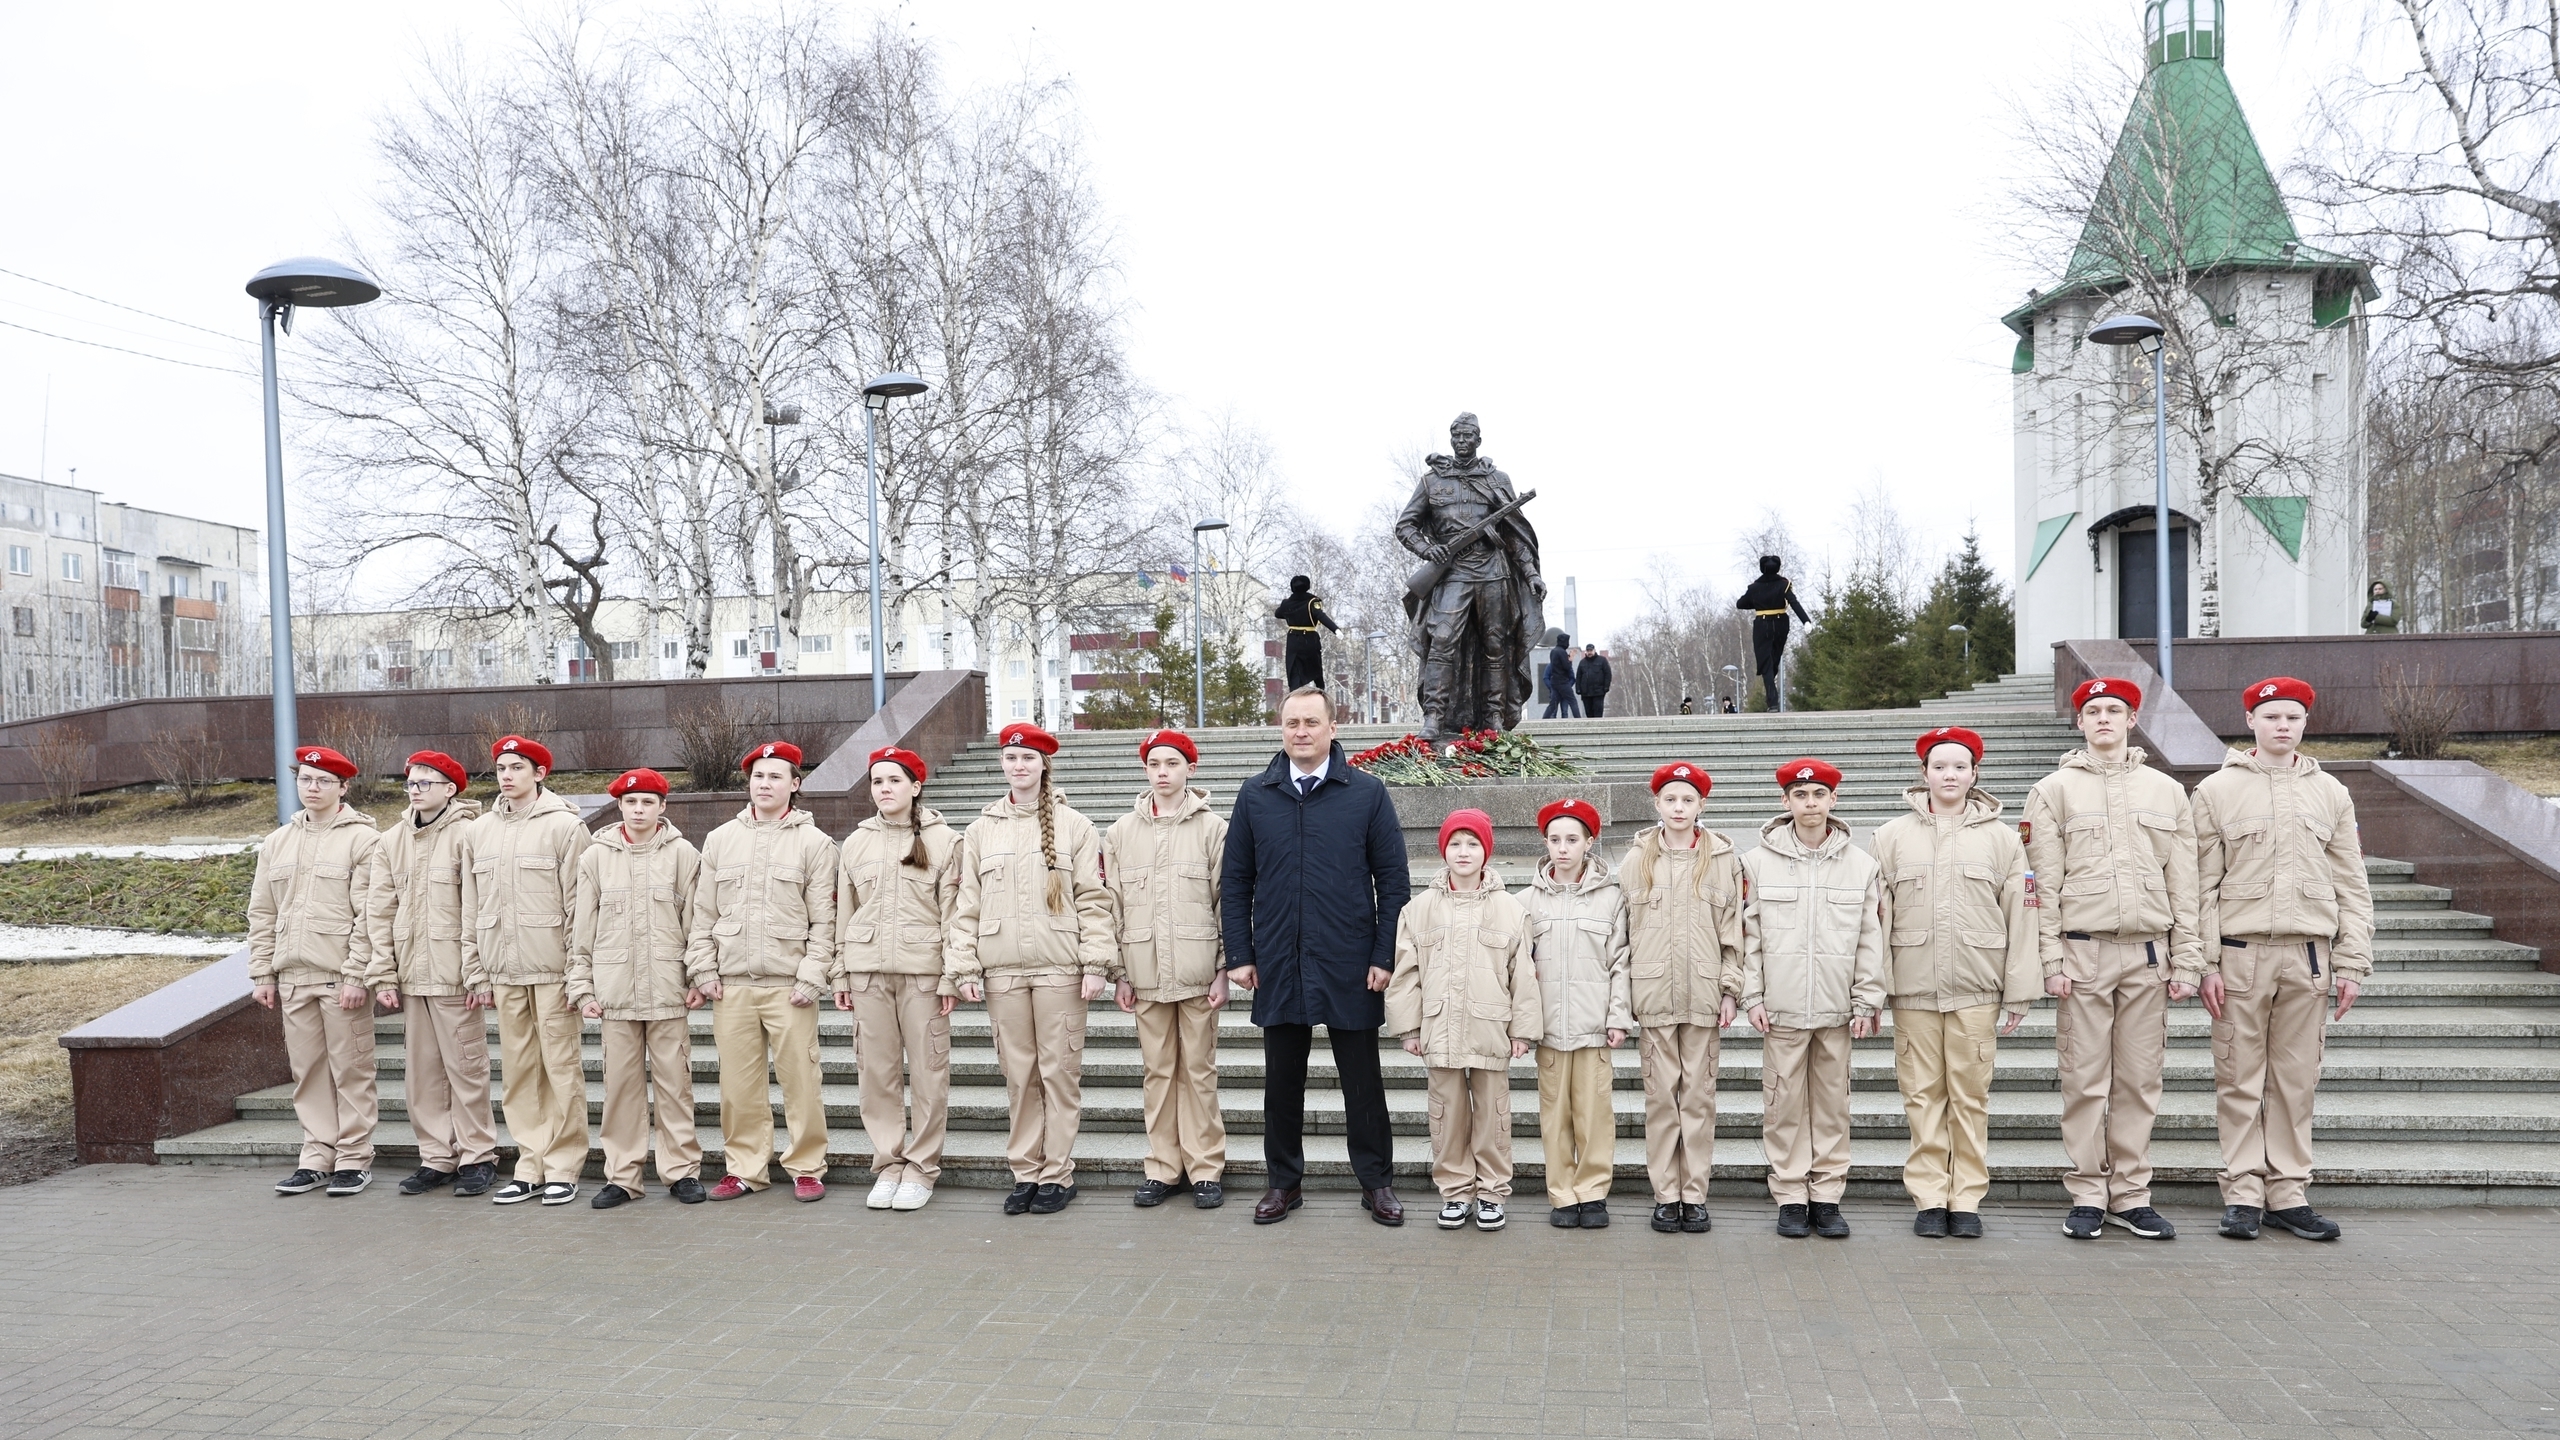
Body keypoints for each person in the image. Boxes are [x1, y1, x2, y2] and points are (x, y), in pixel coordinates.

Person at [2189, 677, 2373, 1243]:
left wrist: (2352, 962)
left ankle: (2288, 1193)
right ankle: (2243, 1192)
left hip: (2310, 958)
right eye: (2270, 717)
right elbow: (2199, 886)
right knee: (2240, 1079)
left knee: (2296, 1082)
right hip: (2241, 956)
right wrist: (2204, 963)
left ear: (2305, 724)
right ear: (2250, 722)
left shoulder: (2331, 793)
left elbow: (2352, 883)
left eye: (2292, 717)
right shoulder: (2216, 792)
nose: (2282, 726)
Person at [1222, 683, 1413, 1226]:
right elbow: (1235, 881)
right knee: (1281, 1082)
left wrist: (1384, 954)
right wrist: (1240, 952)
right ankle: (1283, 1182)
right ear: (1281, 731)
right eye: (1292, 724)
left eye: (1311, 723)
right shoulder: (1256, 794)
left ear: (1333, 728)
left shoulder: (1367, 793)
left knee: (1363, 1082)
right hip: (1280, 959)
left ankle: (1376, 1182)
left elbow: (1393, 882)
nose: (1301, 732)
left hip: (1351, 961)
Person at [2023, 677, 2201, 1241]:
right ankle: (2087, 1192)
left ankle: (2131, 1194)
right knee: (2084, 1080)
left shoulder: (2166, 791)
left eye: (2114, 710)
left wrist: (2189, 957)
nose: (2104, 718)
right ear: (2080, 723)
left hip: (2148, 956)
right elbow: (2042, 886)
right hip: (2083, 954)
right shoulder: (2052, 791)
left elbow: (2185, 881)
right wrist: (2049, 959)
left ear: (2132, 720)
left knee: (2140, 1082)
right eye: (2093, 710)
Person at [1869, 726, 2036, 1239]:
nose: (1950, 775)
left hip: (1977, 988)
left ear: (1974, 773)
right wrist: (1873, 989)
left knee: (1969, 1097)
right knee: (1921, 1096)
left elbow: (2022, 913)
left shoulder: (2004, 839)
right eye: (1939, 766)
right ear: (1924, 773)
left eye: (1960, 767)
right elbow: (1874, 919)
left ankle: (1965, 1198)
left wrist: (2020, 989)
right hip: (1913, 987)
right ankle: (1928, 1198)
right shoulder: (1890, 837)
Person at [946, 723, 1116, 1215]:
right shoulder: (979, 831)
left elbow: (1094, 900)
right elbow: (966, 906)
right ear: (1002, 765)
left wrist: (1097, 962)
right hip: (1002, 971)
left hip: (1060, 969)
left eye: (1028, 758)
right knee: (1018, 1077)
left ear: (1044, 764)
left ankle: (1058, 1173)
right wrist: (964, 966)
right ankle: (1025, 1170)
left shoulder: (1076, 827)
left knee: (1059, 1073)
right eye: (1010, 758)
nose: (1018, 766)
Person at [1742, 758, 1884, 1240]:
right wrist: (1752, 995)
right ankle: (1789, 1195)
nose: (1810, 803)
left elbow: (1870, 938)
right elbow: (1750, 936)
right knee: (1782, 1104)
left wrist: (1867, 1000)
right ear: (1786, 801)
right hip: (1780, 1007)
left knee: (1832, 1105)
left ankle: (1826, 1195)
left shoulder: (1861, 865)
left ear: (1833, 800)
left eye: (1819, 794)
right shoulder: (1757, 862)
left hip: (1836, 1009)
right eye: (1800, 795)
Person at [692, 741, 838, 1203]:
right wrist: (703, 969)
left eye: (776, 776)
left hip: (789, 986)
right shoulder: (720, 840)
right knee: (738, 1089)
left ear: (795, 785)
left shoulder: (815, 844)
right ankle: (745, 1169)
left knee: (801, 1083)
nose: (765, 783)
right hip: (732, 986)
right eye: (758, 776)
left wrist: (812, 977)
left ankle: (807, 1167)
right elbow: (702, 915)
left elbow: (824, 922)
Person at [1385, 809, 1541, 1231]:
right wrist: (1409, 1028)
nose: (1463, 851)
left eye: (1473, 843)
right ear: (1443, 850)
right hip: (1440, 1030)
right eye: (1455, 843)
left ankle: (1491, 1192)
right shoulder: (1419, 910)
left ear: (1486, 852)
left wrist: (1523, 1030)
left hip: (1491, 1029)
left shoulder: (1510, 910)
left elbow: (1523, 975)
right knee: (1447, 1114)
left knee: (1493, 1114)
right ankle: (1455, 1190)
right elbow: (1406, 974)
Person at [460, 734, 593, 1206]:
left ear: (539, 774)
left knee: (561, 1069)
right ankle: (529, 1164)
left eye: (517, 767)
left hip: (552, 969)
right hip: (504, 970)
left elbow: (581, 907)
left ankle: (563, 1165)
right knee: (518, 1075)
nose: (507, 775)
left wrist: (579, 972)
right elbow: (470, 908)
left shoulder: (565, 827)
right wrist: (476, 971)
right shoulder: (478, 831)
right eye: (501, 768)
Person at [567, 768, 708, 1209]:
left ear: (663, 807)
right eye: (631, 803)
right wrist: (583, 987)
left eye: (648, 802)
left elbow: (698, 923)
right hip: (615, 992)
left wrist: (698, 977)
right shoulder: (595, 857)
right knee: (621, 1089)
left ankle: (681, 1172)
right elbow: (581, 930)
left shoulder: (684, 854)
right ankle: (623, 1176)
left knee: (674, 1086)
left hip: (668, 989)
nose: (639, 810)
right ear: (620, 807)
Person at [1104, 729, 1232, 1209]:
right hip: (1144, 973)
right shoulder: (1120, 833)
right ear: (1145, 770)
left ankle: (1205, 1168)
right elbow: (1109, 906)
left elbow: (1227, 903)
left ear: (1190, 770)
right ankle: (1162, 1167)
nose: (1163, 772)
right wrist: (1118, 971)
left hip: (1199, 972)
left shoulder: (1213, 829)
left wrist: (1224, 967)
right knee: (1158, 1072)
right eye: (1154, 764)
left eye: (1172, 764)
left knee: (1199, 1071)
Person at [249, 744, 384, 1198]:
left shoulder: (363, 839)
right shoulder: (277, 842)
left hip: (337, 976)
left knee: (351, 1069)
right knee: (307, 1073)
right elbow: (263, 913)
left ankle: (353, 1158)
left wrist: (356, 974)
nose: (312, 787)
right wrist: (262, 974)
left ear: (343, 787)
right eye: (305, 779)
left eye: (323, 780)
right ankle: (316, 1158)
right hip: (292, 977)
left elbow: (370, 913)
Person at [831, 745, 962, 1213]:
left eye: (894, 781)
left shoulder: (947, 841)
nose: (884, 789)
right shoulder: (856, 843)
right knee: (877, 1074)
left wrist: (952, 975)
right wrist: (840, 970)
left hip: (923, 973)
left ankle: (922, 1167)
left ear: (916, 786)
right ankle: (888, 1164)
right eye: (877, 782)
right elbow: (843, 913)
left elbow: (956, 916)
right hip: (867, 974)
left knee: (928, 1074)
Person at [362, 749, 497, 1198]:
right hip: (411, 975)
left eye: (425, 783)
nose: (415, 791)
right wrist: (383, 975)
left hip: (455, 975)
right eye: (411, 784)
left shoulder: (471, 834)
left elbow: (481, 908)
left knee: (467, 1069)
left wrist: (477, 973)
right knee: (421, 1075)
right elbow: (379, 913)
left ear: (450, 788)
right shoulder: (392, 840)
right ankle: (437, 1156)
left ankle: (477, 1156)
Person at [1620, 762, 1741, 1234]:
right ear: (1657, 805)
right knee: (1660, 1101)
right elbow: (1623, 933)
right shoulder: (1637, 861)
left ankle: (1695, 1194)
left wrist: (1731, 990)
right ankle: (1665, 1195)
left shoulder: (1724, 860)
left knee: (1698, 1100)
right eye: (1670, 799)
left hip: (1705, 995)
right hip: (1653, 996)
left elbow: (1734, 934)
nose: (1678, 808)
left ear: (1701, 806)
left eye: (1687, 800)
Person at [1392, 412, 1548, 738]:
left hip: (1495, 574)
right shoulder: (1432, 481)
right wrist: (1427, 549)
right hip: (1453, 573)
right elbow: (1406, 526)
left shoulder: (1497, 480)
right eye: (1457, 437)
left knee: (1496, 646)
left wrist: (1531, 574)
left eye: (1468, 437)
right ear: (1451, 440)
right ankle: (1433, 717)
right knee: (1442, 641)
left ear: (1478, 440)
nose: (1462, 443)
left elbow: (1516, 535)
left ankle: (1493, 718)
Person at [1518, 797, 1629, 1229]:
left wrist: (1618, 1016)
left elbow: (1621, 962)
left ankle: (1594, 1192)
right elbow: (1520, 970)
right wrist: (1524, 1027)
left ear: (1589, 843)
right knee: (1554, 1116)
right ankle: (1563, 1194)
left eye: (1572, 839)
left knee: (1594, 1116)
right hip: (1548, 1030)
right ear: (1545, 843)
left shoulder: (1611, 899)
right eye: (1555, 839)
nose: (1563, 848)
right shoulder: (1526, 901)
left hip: (1593, 1027)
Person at [1735, 555, 1812, 711]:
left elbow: (1741, 604)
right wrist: (1806, 621)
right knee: (1773, 660)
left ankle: (1772, 701)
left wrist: (1758, 602)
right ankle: (1772, 700)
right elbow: (1794, 603)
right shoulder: (1784, 584)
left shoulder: (1754, 587)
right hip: (1780, 623)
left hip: (1762, 624)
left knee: (1767, 663)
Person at [1275, 575, 1339, 693]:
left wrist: (1292, 612)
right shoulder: (1312, 602)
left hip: (1293, 639)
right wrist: (1335, 629)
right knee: (1315, 667)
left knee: (1293, 668)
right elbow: (1321, 616)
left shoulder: (1287, 603)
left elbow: (1278, 614)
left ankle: (1294, 694)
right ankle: (1321, 692)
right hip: (1309, 638)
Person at [1542, 633, 1581, 719]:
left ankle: (1543, 720)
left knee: (1552, 705)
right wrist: (1570, 660)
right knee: (1573, 701)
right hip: (1562, 682)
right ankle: (1579, 720)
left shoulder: (1553, 651)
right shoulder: (1562, 652)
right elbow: (1566, 667)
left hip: (1554, 682)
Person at [1575, 644, 1613, 719]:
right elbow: (1578, 676)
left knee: (1598, 713)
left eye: (1591, 650)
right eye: (1588, 651)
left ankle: (1599, 729)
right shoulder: (1582, 662)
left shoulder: (1602, 660)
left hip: (1598, 692)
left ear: (1594, 651)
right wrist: (1578, 689)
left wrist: (1606, 687)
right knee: (1589, 713)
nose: (1589, 652)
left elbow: (1608, 674)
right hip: (1586, 693)